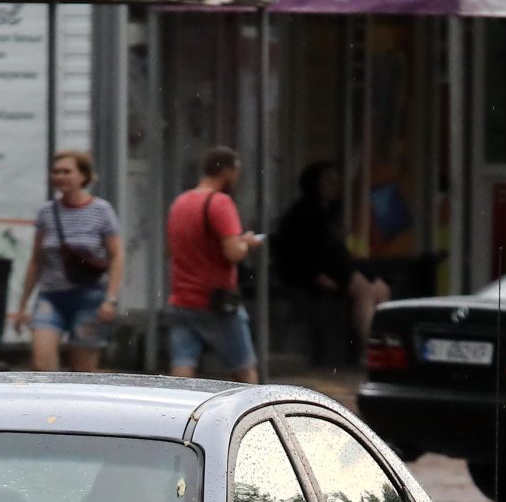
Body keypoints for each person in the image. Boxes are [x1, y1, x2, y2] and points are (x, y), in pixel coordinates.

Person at [11, 149, 124, 373]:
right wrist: (23, 305)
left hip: (90, 297)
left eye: (66, 171)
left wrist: (110, 298)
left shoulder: (101, 210)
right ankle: (50, 406)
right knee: (42, 363)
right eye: (55, 172)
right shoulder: (47, 212)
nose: (59, 176)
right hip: (51, 296)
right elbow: (36, 260)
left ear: (83, 176)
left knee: (83, 370)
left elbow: (117, 255)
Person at [163, 145, 263, 384]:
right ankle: (253, 416)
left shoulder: (181, 202)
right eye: (236, 171)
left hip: (181, 298)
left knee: (183, 366)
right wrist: (246, 243)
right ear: (227, 170)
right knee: (244, 369)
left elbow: (173, 248)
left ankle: (177, 412)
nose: (237, 178)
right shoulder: (220, 203)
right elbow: (233, 254)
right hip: (216, 301)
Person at [273, 160, 389, 355]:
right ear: (315, 183)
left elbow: (340, 252)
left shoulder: (330, 212)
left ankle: (383, 343)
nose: (334, 186)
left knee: (381, 288)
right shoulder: (304, 213)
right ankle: (369, 349)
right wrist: (317, 275)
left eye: (337, 181)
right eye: (329, 181)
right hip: (313, 276)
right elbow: (301, 253)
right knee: (365, 291)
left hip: (338, 270)